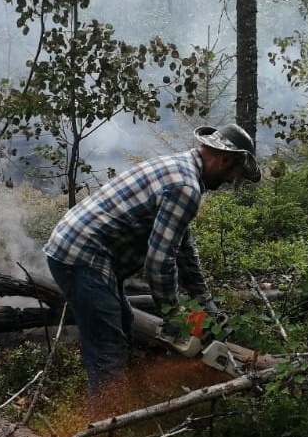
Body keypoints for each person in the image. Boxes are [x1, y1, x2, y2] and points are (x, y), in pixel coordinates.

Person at [44, 124, 262, 398]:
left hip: (82, 250)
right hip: (81, 256)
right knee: (108, 348)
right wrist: (172, 316)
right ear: (226, 159)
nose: (231, 181)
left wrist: (207, 306)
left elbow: (184, 249)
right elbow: (159, 262)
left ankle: (127, 403)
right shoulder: (186, 187)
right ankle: (104, 428)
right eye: (234, 174)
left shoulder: (181, 167)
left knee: (123, 323)